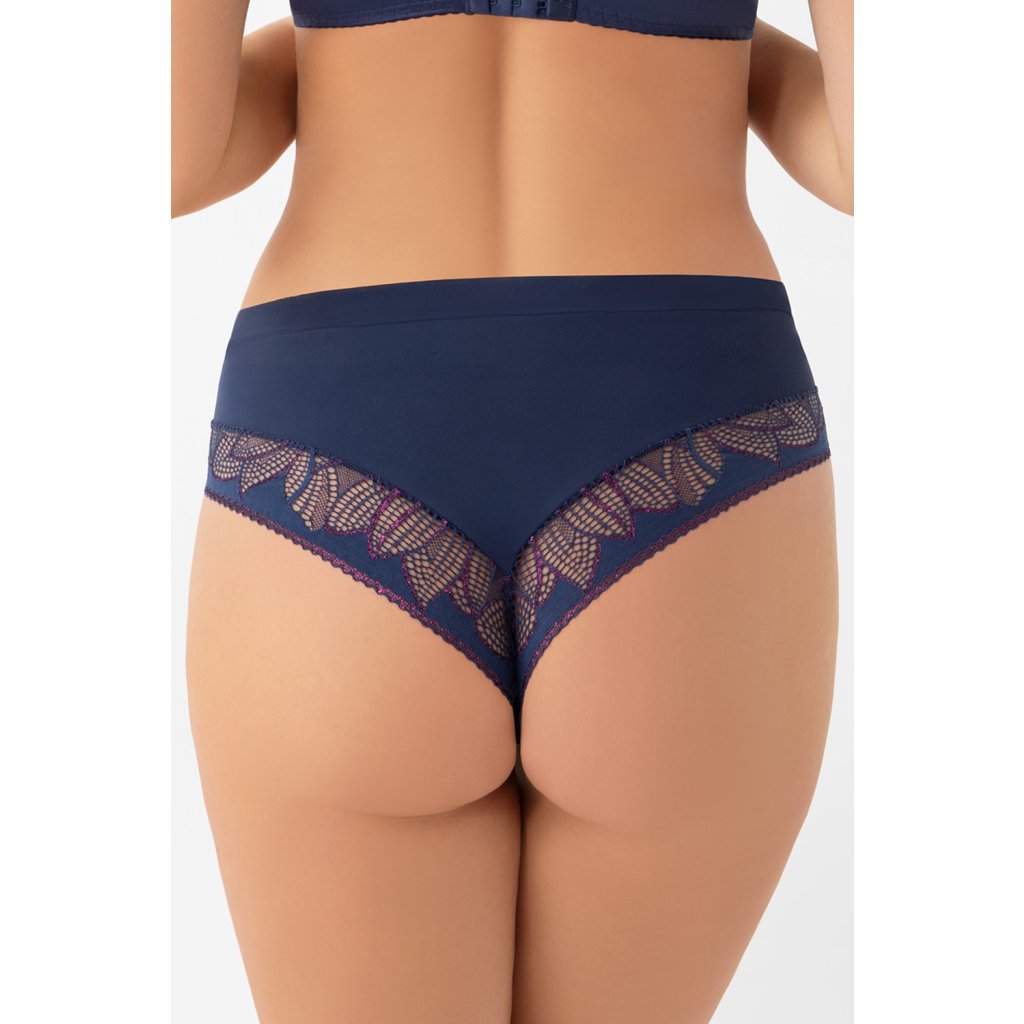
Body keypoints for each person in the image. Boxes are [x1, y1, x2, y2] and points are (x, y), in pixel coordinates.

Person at [173, 1, 852, 1020]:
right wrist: (717, 51)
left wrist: (333, 49)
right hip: (691, 414)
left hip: (336, 424)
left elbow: (176, 156)